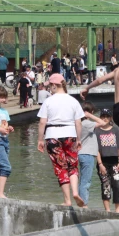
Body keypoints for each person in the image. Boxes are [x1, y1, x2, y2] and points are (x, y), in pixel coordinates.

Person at [37, 73, 85, 207]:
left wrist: (40, 140)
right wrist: (79, 139)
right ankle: (75, 192)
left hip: (52, 135)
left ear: (53, 85)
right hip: (70, 134)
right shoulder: (73, 101)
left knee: (60, 167)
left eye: (49, 86)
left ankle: (67, 200)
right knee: (72, 165)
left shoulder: (48, 101)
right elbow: (79, 123)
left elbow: (42, 122)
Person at [78, 102, 108, 207]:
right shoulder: (86, 123)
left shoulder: (78, 123)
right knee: (86, 181)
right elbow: (103, 123)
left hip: (82, 154)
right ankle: (84, 204)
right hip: (87, 154)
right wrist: (90, 115)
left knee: (83, 180)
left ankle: (82, 202)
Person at [95, 109, 119, 213]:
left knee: (117, 185)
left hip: (115, 162)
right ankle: (107, 210)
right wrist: (100, 164)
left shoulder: (115, 130)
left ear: (110, 118)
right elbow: (97, 150)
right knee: (105, 185)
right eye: (103, 116)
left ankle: (117, 209)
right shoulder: (97, 131)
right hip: (103, 162)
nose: (105, 118)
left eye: (107, 116)